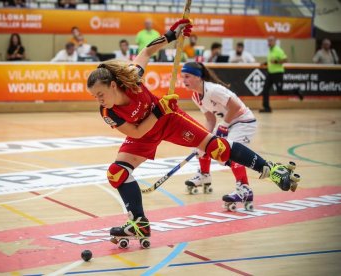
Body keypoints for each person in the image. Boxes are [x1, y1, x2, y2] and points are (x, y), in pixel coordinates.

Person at [86, 19, 300, 245]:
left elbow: (146, 51)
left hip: (170, 120)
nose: (98, 100)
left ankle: (273, 169)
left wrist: (171, 35)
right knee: (117, 173)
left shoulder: (131, 79)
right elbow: (137, 132)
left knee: (216, 148)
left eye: (99, 94)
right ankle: (139, 223)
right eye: (94, 97)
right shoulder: (108, 112)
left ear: (112, 86)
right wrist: (158, 111)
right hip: (147, 129)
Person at [181, 61, 257, 211]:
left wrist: (224, 125)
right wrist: (201, 140)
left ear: (198, 77)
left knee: (232, 154)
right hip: (228, 123)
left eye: (187, 76)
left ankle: (244, 190)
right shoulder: (196, 96)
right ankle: (204, 175)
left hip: (243, 122)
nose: (184, 80)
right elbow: (210, 119)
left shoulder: (213, 90)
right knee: (204, 143)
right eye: (183, 77)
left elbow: (236, 107)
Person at [260, 36, 303, 113]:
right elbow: (271, 60)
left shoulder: (278, 50)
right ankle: (267, 108)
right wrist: (265, 63)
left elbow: (285, 60)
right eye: (268, 41)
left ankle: (296, 91)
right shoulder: (270, 50)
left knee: (280, 91)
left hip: (278, 73)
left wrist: (276, 62)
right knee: (265, 90)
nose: (269, 42)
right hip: (270, 73)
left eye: (271, 40)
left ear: (275, 41)